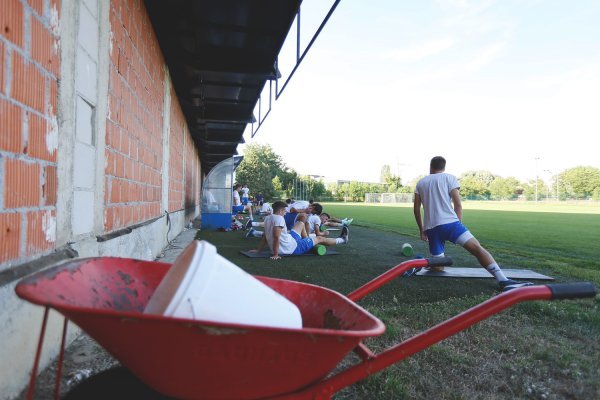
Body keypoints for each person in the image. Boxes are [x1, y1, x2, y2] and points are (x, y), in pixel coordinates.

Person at [413, 156, 532, 292]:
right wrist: (457, 226)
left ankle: (419, 264)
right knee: (477, 248)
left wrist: (421, 229)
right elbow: (458, 204)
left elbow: (416, 208)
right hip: (451, 224)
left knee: (439, 267)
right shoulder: (449, 178)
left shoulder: (421, 183)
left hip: (432, 229)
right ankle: (503, 281)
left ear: (430, 167)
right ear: (444, 167)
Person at [250, 201, 349, 260]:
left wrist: (259, 250)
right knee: (319, 238)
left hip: (290, 240)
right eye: (284, 211)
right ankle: (342, 239)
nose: (285, 213)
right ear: (280, 211)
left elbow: (265, 236)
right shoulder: (279, 219)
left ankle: (307, 242)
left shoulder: (268, 218)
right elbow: (276, 237)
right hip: (291, 248)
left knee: (301, 223)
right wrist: (276, 254)